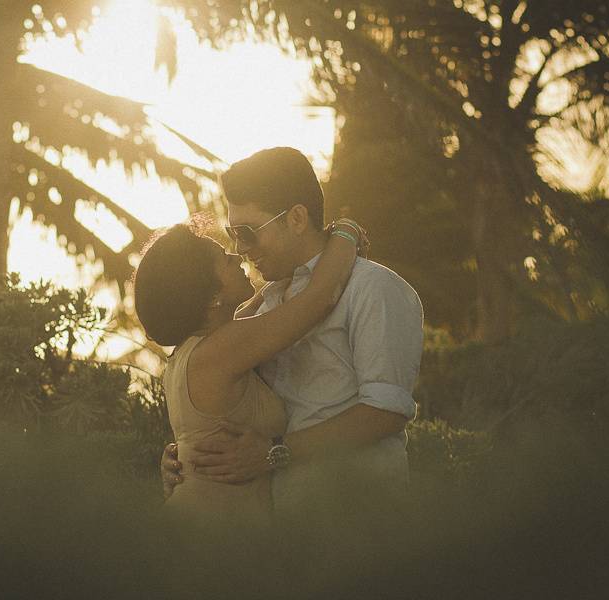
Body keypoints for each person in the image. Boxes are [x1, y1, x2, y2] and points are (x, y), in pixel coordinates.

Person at [160, 147, 424, 512]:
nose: (239, 248)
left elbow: (385, 413)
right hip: (283, 537)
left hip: (359, 523)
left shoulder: (373, 289)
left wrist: (274, 454)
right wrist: (184, 457)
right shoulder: (262, 307)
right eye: (232, 233)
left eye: (248, 232)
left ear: (297, 218)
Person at [133, 216, 364, 522]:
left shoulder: (192, 352)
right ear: (211, 294)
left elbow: (260, 300)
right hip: (211, 543)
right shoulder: (222, 348)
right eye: (222, 258)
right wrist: (348, 231)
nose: (236, 255)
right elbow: (319, 299)